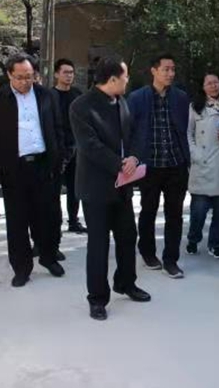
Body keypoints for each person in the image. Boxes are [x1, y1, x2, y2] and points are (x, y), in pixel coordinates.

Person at [70, 57, 150, 320]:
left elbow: (134, 134)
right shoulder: (81, 106)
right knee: (99, 244)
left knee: (128, 236)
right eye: (125, 76)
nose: (128, 80)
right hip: (96, 187)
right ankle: (97, 298)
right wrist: (120, 164)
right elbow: (89, 145)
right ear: (113, 79)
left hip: (122, 184)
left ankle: (126, 282)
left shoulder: (121, 101)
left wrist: (134, 157)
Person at [0, 54, 65, 287]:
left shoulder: (46, 96)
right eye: (20, 77)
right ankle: (21, 268)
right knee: (17, 221)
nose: (26, 81)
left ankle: (48, 257)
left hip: (43, 164)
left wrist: (59, 158)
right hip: (14, 167)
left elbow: (58, 128)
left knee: (47, 217)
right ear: (9, 75)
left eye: (29, 76)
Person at [127, 54, 191, 279]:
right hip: (150, 165)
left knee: (175, 214)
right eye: (166, 69)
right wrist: (132, 158)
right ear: (154, 71)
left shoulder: (181, 97)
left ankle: (171, 260)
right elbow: (129, 131)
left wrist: (187, 159)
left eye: (173, 69)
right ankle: (147, 252)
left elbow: (183, 129)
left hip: (175, 163)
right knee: (148, 210)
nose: (170, 73)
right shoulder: (137, 98)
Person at [185, 73, 219, 259]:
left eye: (216, 82)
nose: (213, 86)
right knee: (199, 210)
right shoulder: (195, 107)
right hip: (203, 163)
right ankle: (193, 239)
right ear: (203, 87)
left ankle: (215, 244)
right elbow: (188, 133)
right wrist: (195, 154)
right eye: (208, 83)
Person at [52, 58, 86, 234]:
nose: (69, 76)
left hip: (76, 148)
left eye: (71, 72)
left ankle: (74, 221)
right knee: (54, 189)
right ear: (56, 74)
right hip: (56, 149)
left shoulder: (78, 94)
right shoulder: (49, 96)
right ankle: (54, 223)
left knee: (75, 188)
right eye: (65, 72)